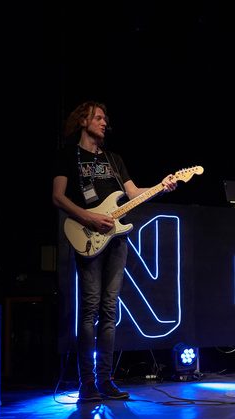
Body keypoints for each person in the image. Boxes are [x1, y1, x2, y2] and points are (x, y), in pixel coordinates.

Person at [52, 101, 177, 402]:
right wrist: (88, 218)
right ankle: (86, 383)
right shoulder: (67, 155)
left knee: (110, 310)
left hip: (117, 239)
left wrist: (161, 186)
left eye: (105, 119)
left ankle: (105, 380)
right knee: (89, 309)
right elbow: (58, 197)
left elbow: (132, 194)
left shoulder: (114, 159)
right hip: (87, 234)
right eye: (98, 118)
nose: (104, 122)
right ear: (83, 122)